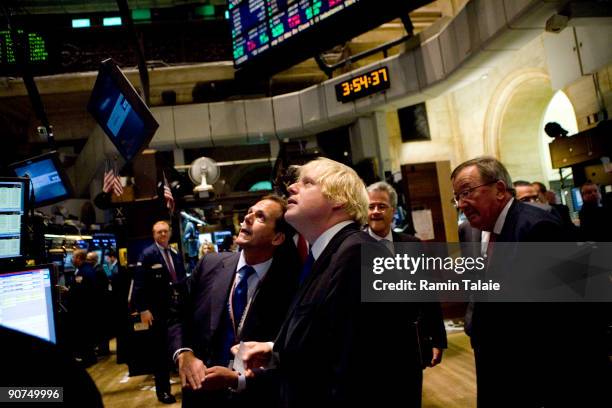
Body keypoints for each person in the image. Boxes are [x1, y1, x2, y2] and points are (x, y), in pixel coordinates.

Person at [237, 158, 409, 407]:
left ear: (338, 199)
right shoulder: (331, 254)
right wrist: (274, 351)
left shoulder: (359, 255)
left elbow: (363, 371)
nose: (292, 189)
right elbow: (326, 343)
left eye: (307, 183)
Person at [452, 156, 608, 407]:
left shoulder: (539, 229)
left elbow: (567, 318)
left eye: (467, 192)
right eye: (457, 197)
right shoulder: (491, 229)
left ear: (500, 190)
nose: (461, 204)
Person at [168, 195, 300, 406]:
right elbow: (175, 313)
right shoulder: (209, 265)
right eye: (250, 212)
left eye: (260, 217)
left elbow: (292, 353)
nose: (247, 218)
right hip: (200, 393)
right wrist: (183, 353)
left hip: (254, 397)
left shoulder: (290, 284)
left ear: (277, 238)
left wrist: (238, 379)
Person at [366, 181, 447, 406]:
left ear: (393, 210)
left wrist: (437, 338)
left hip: (408, 347)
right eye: (370, 206)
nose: (375, 212)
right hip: (368, 351)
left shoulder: (412, 245)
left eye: (381, 206)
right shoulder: (352, 247)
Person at [133, 220, 187, 404]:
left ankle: (186, 386)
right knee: (160, 353)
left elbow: (180, 279)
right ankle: (163, 392)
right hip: (156, 312)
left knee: (181, 347)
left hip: (176, 308)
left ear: (170, 233)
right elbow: (139, 285)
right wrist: (143, 309)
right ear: (153, 234)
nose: (162, 235)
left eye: (165, 231)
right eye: (158, 232)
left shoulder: (174, 252)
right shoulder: (147, 254)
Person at [67, 249, 100, 367]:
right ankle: (90, 357)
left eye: (73, 257)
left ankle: (88, 359)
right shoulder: (87, 269)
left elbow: (81, 292)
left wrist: (69, 291)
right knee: (87, 334)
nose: (72, 260)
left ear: (79, 258)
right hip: (89, 308)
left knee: (84, 335)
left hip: (83, 309)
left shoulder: (83, 272)